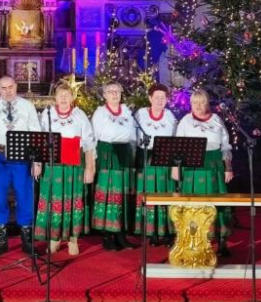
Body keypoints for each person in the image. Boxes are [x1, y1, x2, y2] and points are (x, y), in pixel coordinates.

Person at [0, 75, 42, 256]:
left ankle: (27, 242)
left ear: (16, 86)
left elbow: (36, 133)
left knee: (25, 196)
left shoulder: (27, 106)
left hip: (22, 158)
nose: (7, 91)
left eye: (10, 87)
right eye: (3, 88)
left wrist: (37, 161)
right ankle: (1, 241)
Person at [34, 83, 96, 256]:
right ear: (55, 97)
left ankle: (73, 239)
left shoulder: (79, 115)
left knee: (72, 200)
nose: (63, 98)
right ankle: (54, 238)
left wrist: (90, 167)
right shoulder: (47, 114)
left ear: (72, 97)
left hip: (74, 166)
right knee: (54, 200)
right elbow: (39, 141)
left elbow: (89, 143)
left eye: (66, 95)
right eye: (60, 95)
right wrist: (37, 164)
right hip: (53, 166)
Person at [172, 89, 233, 257]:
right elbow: (177, 147)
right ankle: (194, 240)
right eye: (195, 103)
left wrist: (228, 167)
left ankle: (221, 240)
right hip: (192, 168)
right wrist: (175, 168)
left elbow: (225, 146)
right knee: (193, 205)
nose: (198, 106)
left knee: (217, 202)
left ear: (207, 103)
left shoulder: (217, 120)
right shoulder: (185, 121)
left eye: (202, 102)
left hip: (214, 166)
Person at [91, 82, 139, 251]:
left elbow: (133, 136)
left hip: (124, 153)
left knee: (123, 194)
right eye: (110, 92)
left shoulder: (127, 112)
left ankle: (121, 234)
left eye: (117, 91)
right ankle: (106, 234)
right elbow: (94, 137)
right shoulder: (100, 113)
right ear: (104, 95)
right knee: (108, 194)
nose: (114, 94)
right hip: (107, 153)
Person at [134, 83, 178, 246]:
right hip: (146, 157)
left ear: (167, 100)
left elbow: (175, 139)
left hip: (165, 158)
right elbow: (134, 136)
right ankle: (150, 231)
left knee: (166, 192)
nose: (160, 101)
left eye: (163, 98)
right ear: (150, 98)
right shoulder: (140, 114)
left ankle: (167, 231)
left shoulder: (170, 117)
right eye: (156, 97)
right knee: (149, 193)